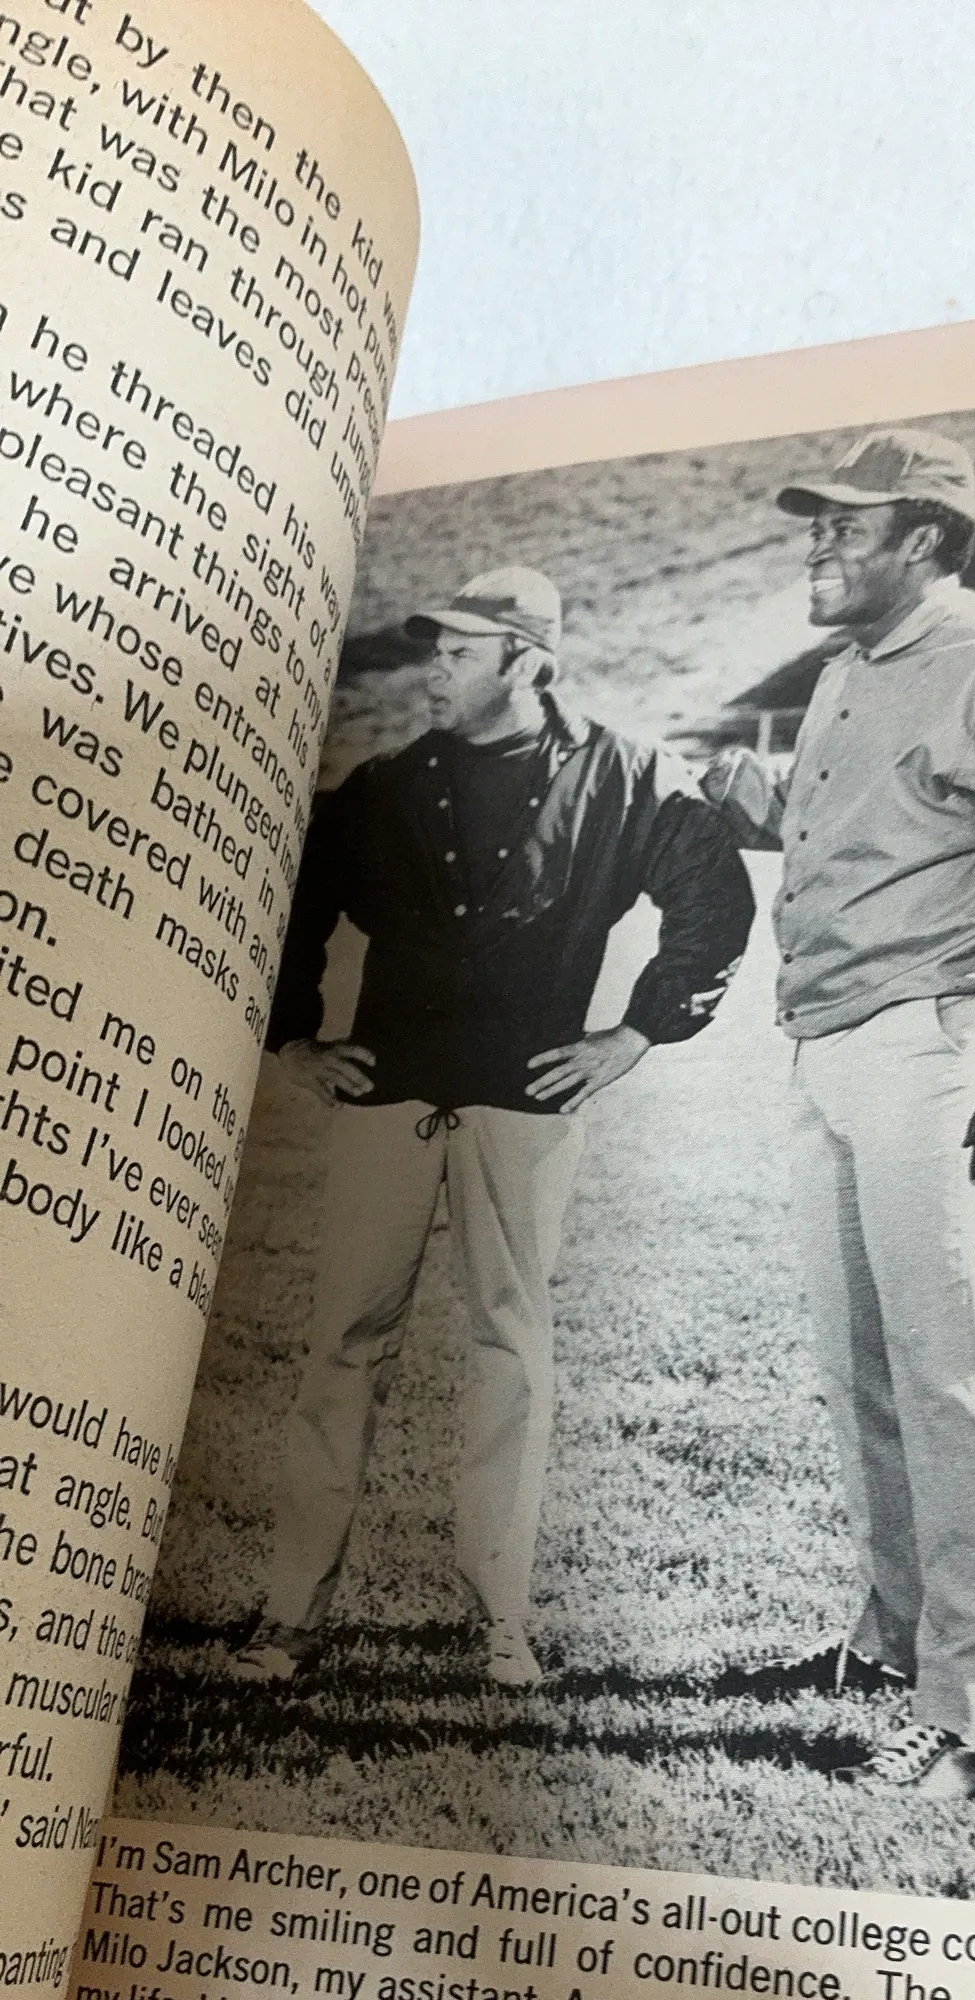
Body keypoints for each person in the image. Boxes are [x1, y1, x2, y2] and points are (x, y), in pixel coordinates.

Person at [702, 425, 975, 1801]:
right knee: (863, 1372)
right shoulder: (846, 671)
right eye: (816, 525)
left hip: (938, 1052)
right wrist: (740, 797)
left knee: (949, 1377)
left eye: (846, 526)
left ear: (925, 540)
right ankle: (895, 1646)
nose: (816, 548)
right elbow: (861, 830)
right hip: (827, 1046)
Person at [236, 565, 754, 1687]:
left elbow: (712, 900)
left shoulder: (627, 776)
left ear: (528, 662)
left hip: (527, 1104)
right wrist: (294, 1038)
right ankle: (289, 1616)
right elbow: (287, 903)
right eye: (434, 650)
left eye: (460, 652)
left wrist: (636, 1033)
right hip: (388, 1096)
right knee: (341, 1346)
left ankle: (499, 1619)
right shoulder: (385, 785)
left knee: (509, 1349)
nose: (433, 671)